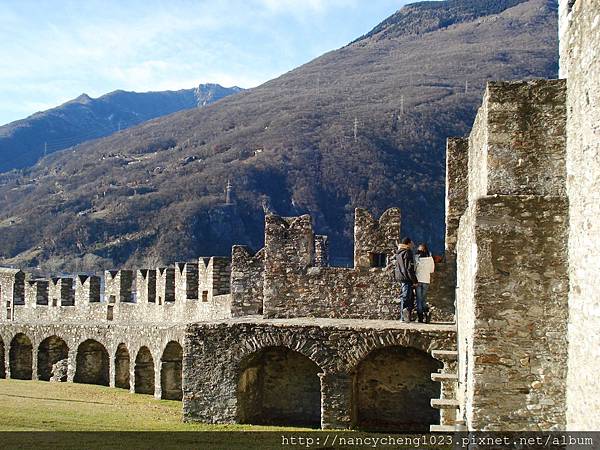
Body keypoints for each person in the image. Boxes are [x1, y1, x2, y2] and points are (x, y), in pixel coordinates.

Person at [393, 237, 418, 322]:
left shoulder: (399, 253)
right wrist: (414, 280)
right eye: (411, 243)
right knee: (406, 297)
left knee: (406, 297)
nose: (413, 245)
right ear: (408, 243)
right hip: (406, 277)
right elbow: (409, 268)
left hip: (401, 276)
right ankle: (403, 318)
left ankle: (405, 317)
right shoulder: (407, 252)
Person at [414, 243, 435, 323]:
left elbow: (414, 269)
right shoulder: (430, 259)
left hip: (418, 280)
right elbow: (431, 270)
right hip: (426, 280)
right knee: (423, 299)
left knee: (419, 300)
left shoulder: (416, 258)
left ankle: (420, 318)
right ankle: (427, 313)